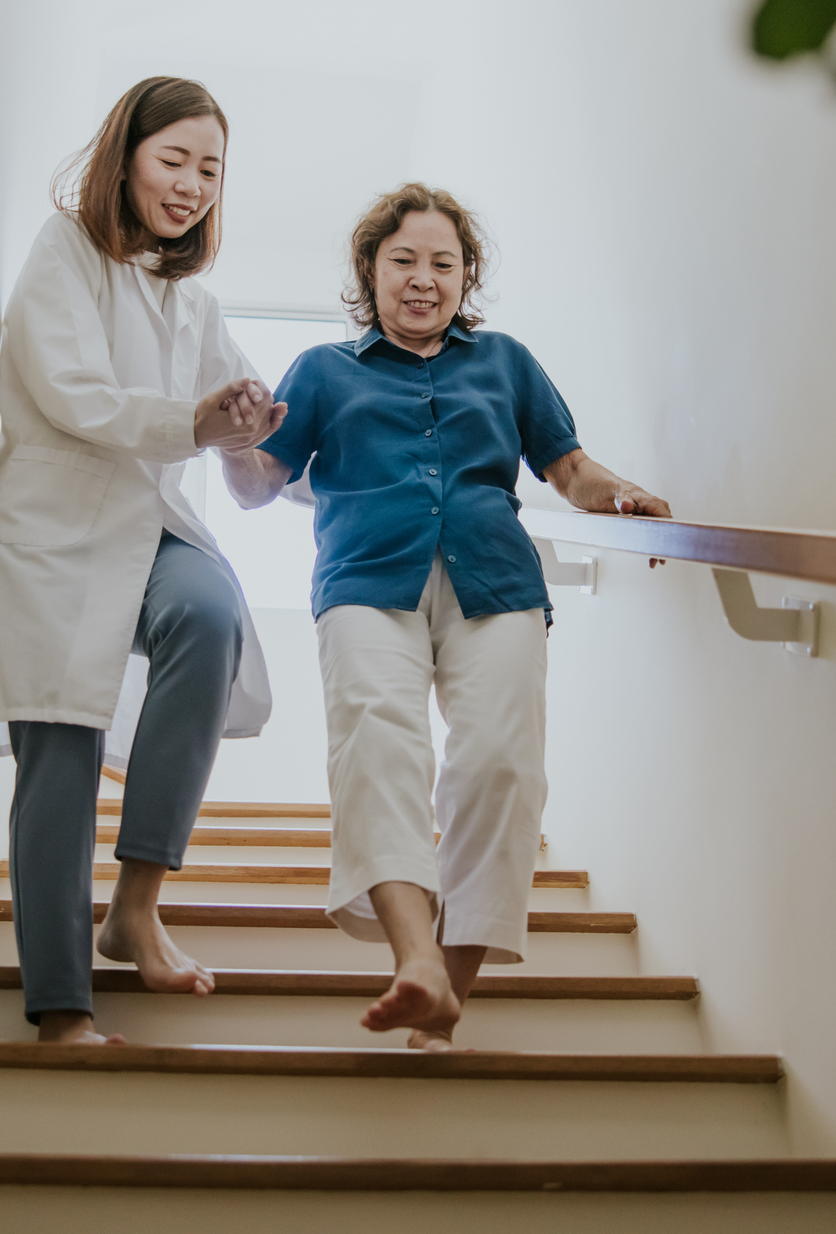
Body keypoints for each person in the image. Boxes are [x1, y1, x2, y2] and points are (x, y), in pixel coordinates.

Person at [218, 183, 670, 1051]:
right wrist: (238, 445)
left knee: (503, 764)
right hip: (362, 582)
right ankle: (415, 958)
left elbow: (568, 470)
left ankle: (445, 993)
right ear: (370, 271)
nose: (423, 279)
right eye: (403, 261)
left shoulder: (505, 361)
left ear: (467, 277)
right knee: (379, 741)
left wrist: (620, 495)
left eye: (443, 263)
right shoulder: (321, 371)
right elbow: (256, 488)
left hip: (495, 582)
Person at [0, 77, 287, 1045]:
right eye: (173, 159)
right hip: (52, 525)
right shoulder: (62, 248)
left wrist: (245, 435)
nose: (191, 185)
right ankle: (59, 1003)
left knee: (210, 617)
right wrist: (188, 420)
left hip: (151, 521)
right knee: (57, 747)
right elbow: (66, 389)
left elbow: (241, 437)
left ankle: (136, 903)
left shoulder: (195, 300)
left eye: (210, 170)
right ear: (126, 155)